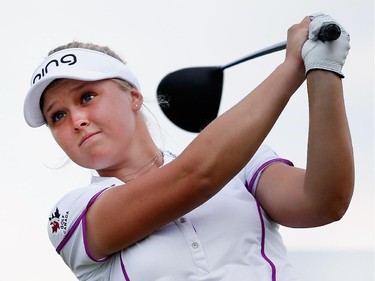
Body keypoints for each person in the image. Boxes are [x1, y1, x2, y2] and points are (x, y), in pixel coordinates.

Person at [23, 13, 354, 281]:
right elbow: (197, 175)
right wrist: (291, 68)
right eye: (58, 116)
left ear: (134, 97)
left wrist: (323, 69)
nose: (76, 120)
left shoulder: (242, 162)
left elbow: (324, 202)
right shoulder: (72, 214)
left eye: (87, 97)